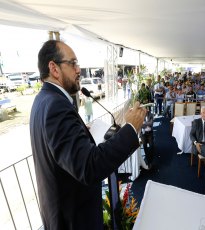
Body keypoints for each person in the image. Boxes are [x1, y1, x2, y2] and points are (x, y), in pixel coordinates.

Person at [29, 40, 146, 230]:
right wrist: (131, 128)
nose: (78, 70)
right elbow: (89, 167)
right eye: (73, 63)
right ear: (54, 68)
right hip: (74, 219)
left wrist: (81, 134)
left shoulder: (42, 100)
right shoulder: (56, 106)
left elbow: (64, 153)